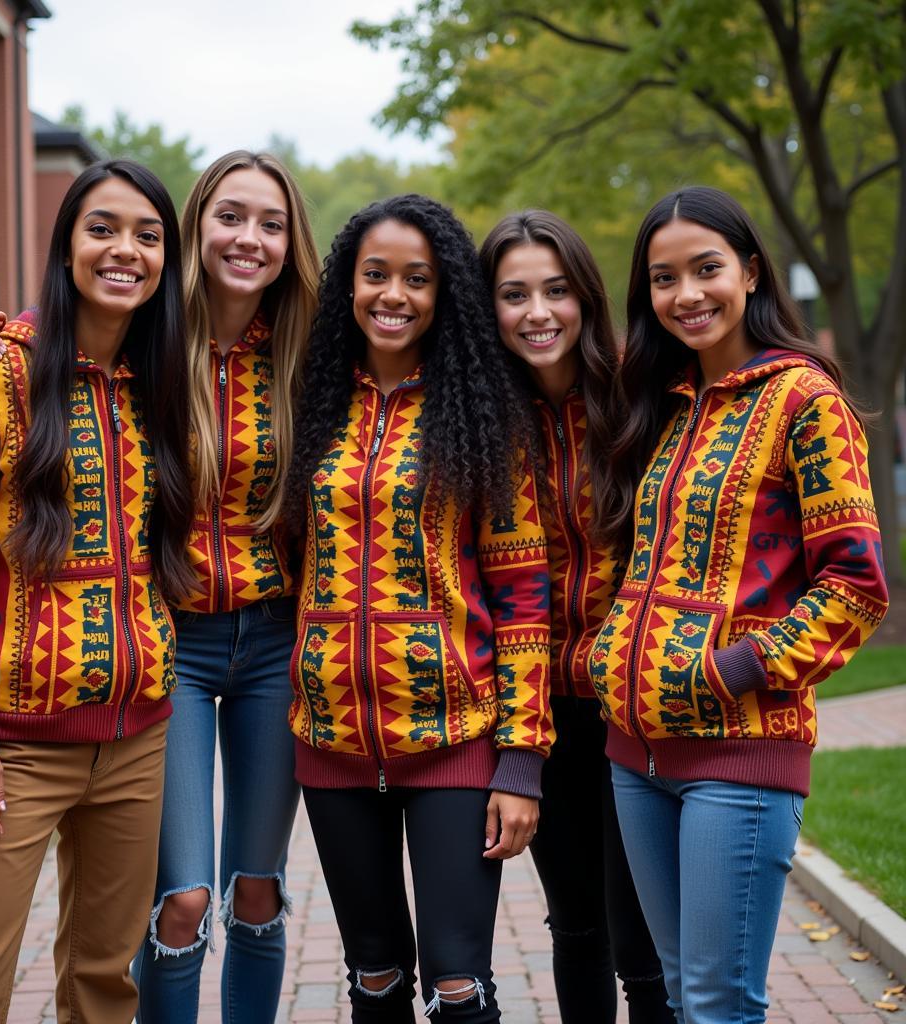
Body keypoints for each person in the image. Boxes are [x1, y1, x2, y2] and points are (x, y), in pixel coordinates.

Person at [0, 150, 320, 1024]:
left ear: (290, 242)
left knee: (257, 890)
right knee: (182, 898)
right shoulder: (154, 341)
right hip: (172, 644)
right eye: (230, 216)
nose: (250, 238)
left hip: (275, 642)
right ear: (194, 230)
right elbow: (63, 335)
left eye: (271, 223)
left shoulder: (308, 354)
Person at [588, 185, 889, 1023]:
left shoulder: (805, 401)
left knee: (720, 1003)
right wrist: (608, 656)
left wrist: (731, 670)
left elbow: (855, 586)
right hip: (635, 755)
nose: (687, 294)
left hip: (741, 749)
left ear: (750, 272)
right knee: (686, 996)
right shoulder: (669, 408)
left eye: (707, 268)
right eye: (663, 277)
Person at [0, 159, 195, 1024]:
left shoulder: (161, 386)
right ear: (65, 244)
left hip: (138, 737)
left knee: (106, 985)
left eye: (149, 236)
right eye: (102, 228)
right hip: (16, 749)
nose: (126, 251)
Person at [281, 194, 554, 1021]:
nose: (393, 294)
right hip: (331, 746)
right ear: (347, 287)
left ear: (444, 295)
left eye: (417, 279)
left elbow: (524, 595)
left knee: (458, 977)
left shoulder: (483, 414)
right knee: (372, 974)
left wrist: (522, 760)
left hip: (455, 742)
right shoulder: (311, 402)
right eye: (374, 275)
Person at [479, 210, 674, 1023]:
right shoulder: (486, 421)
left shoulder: (643, 400)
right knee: (579, 928)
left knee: (644, 942)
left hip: (636, 709)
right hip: (540, 712)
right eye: (514, 293)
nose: (538, 312)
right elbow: (509, 593)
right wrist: (520, 751)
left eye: (556, 290)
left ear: (586, 298)